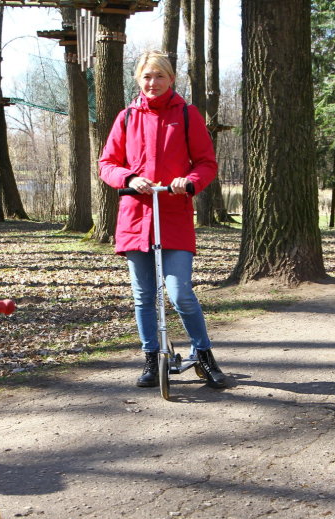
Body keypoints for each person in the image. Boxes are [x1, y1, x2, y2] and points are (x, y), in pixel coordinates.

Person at [98, 50, 227, 389]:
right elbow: (107, 164)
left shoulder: (186, 114)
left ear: (171, 78)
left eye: (158, 76)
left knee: (180, 292)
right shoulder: (126, 117)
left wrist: (189, 182)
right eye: (146, 77)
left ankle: (203, 354)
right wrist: (127, 178)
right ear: (138, 80)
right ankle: (152, 358)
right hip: (136, 217)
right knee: (143, 296)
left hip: (173, 215)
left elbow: (206, 162)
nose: (152, 83)